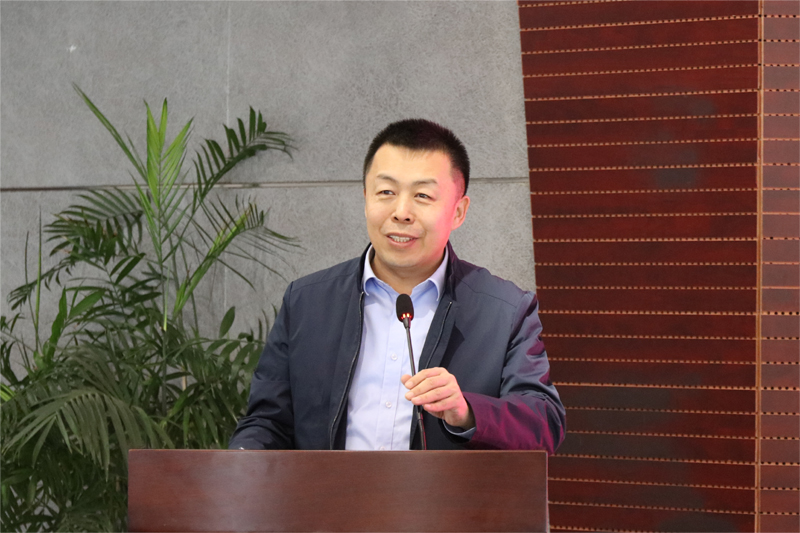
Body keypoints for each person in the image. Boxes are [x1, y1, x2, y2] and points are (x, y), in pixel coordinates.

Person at [229, 119, 566, 451]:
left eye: (422, 195)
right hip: (326, 490)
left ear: (458, 212)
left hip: (444, 492)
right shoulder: (307, 302)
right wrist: (242, 462)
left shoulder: (504, 311)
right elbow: (267, 421)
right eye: (386, 192)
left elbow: (544, 423)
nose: (401, 212)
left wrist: (467, 411)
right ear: (366, 199)